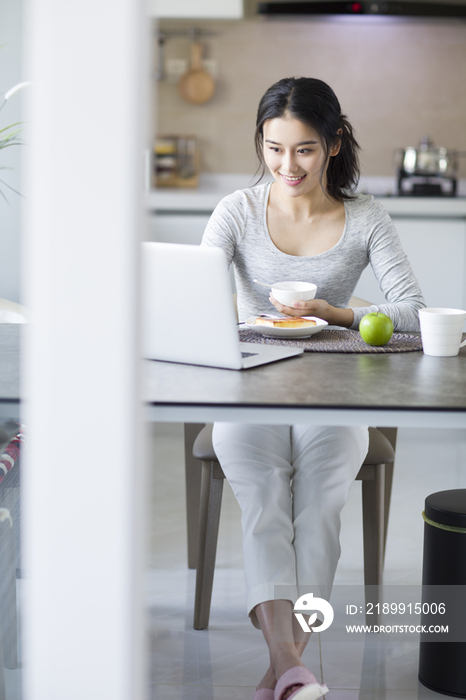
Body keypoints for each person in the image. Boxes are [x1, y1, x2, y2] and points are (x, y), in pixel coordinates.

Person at [201, 77, 425, 700]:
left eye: (302, 149)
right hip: (249, 386)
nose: (286, 165)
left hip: (339, 390)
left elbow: (410, 309)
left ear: (332, 144)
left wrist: (340, 313)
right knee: (264, 498)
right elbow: (194, 299)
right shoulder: (237, 212)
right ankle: (293, 666)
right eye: (273, 148)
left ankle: (284, 668)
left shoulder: (365, 218)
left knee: (320, 499)